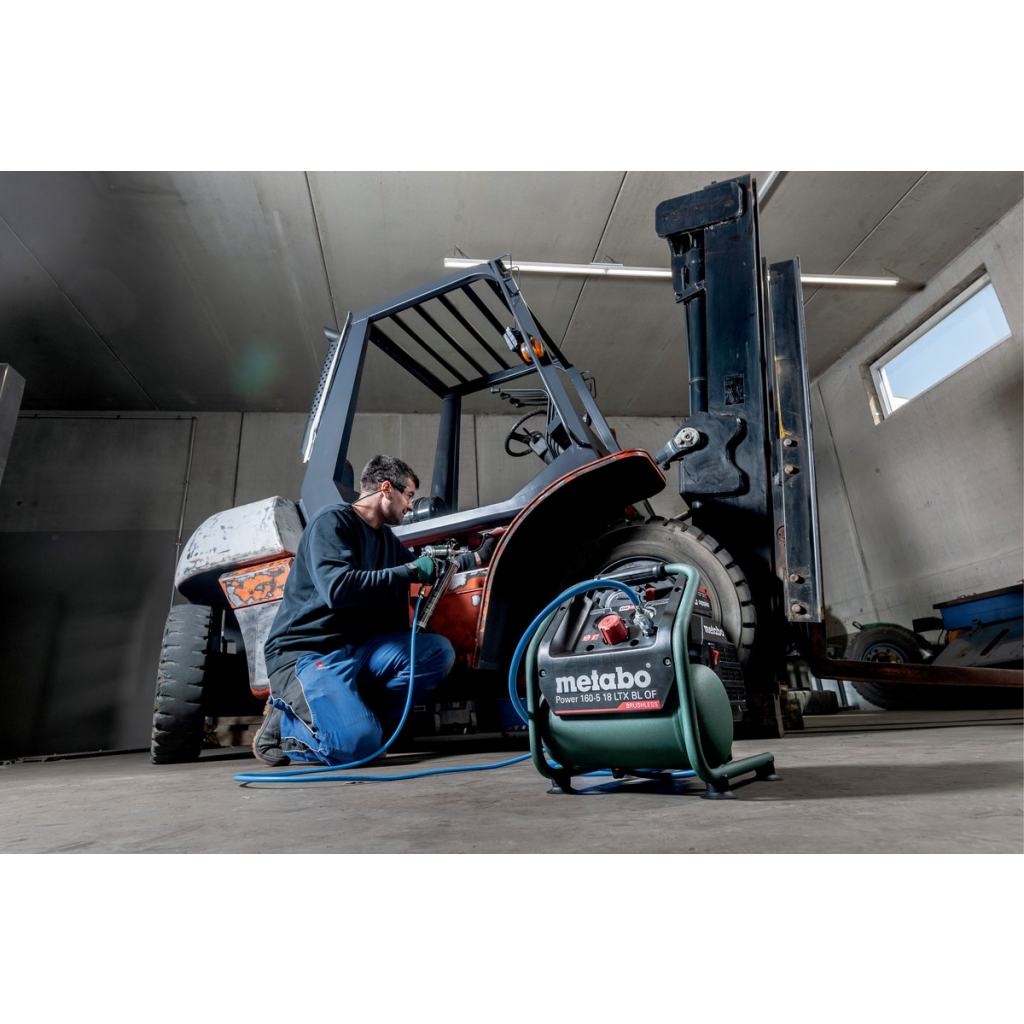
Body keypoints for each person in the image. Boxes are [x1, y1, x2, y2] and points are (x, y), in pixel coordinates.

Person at [253, 454, 498, 767]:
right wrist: (410, 571)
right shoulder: (332, 522)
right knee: (356, 745)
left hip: (355, 651)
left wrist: (476, 557)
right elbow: (338, 589)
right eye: (408, 496)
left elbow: (427, 567)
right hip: (307, 653)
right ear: (386, 489)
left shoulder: (385, 539)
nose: (411, 506)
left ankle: (360, 724)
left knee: (436, 652)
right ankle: (286, 730)